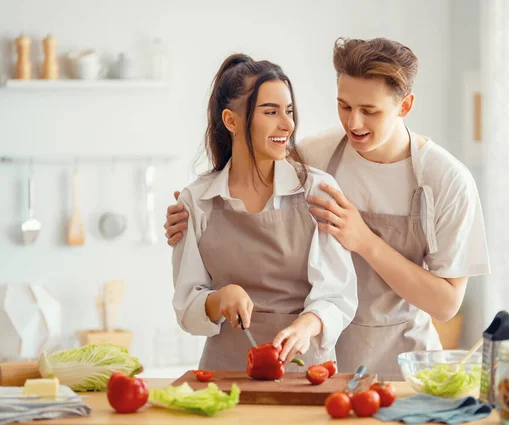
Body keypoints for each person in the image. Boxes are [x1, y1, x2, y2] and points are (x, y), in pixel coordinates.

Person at [166, 39, 490, 380]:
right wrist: (192, 207)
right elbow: (252, 179)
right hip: (321, 360)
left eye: (370, 110)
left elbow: (446, 304)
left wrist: (363, 239)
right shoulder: (315, 155)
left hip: (403, 359)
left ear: (405, 106)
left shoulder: (447, 180)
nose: (354, 122)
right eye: (344, 106)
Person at [171, 53, 358, 371]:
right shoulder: (197, 201)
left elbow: (338, 296)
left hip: (305, 368)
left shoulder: (317, 191)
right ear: (231, 121)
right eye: (271, 112)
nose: (287, 125)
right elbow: (187, 306)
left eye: (289, 111)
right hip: (224, 372)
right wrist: (220, 298)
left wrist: (307, 325)